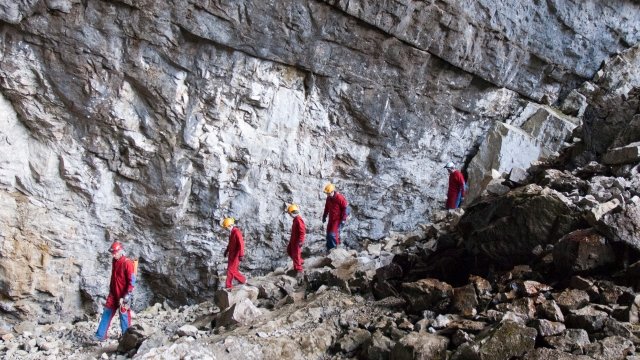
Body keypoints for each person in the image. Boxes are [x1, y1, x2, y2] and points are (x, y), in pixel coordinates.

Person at [95, 241, 136, 341]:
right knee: (107, 312)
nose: (113, 255)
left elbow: (132, 281)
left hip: (124, 294)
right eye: (112, 253)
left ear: (120, 251)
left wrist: (126, 296)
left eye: (115, 253)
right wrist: (111, 292)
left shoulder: (127, 263)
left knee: (124, 315)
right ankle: (100, 335)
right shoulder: (114, 261)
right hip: (113, 293)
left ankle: (126, 339)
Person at [322, 183, 349, 251]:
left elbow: (345, 209)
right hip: (331, 219)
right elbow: (327, 207)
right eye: (326, 193)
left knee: (333, 234)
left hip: (338, 219)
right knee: (328, 234)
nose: (327, 195)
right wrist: (324, 216)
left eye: (328, 193)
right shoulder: (329, 198)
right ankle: (329, 249)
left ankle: (335, 250)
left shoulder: (340, 198)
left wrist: (343, 219)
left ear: (332, 191)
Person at [222, 217, 246, 289]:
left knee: (230, 270)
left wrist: (241, 255)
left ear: (230, 226)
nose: (226, 229)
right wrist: (226, 251)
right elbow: (230, 244)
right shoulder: (231, 232)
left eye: (226, 228)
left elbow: (241, 244)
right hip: (231, 255)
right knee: (233, 270)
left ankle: (228, 286)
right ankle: (243, 280)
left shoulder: (236, 232)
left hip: (236, 255)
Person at [286, 204, 306, 276]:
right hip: (293, 239)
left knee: (296, 254)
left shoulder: (298, 219)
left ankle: (299, 269)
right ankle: (300, 261)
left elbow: (302, 231)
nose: (289, 215)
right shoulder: (295, 219)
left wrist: (301, 240)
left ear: (292, 212)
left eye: (289, 213)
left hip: (297, 240)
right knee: (289, 250)